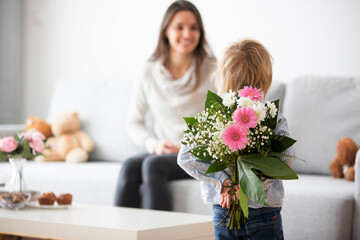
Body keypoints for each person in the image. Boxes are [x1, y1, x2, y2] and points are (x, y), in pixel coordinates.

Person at [177, 39, 295, 239]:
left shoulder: (212, 117)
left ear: (222, 77)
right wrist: (251, 187)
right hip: (264, 213)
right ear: (265, 79)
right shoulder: (271, 116)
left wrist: (223, 183)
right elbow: (286, 159)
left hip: (224, 210)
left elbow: (186, 157)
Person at [114, 0, 216, 211]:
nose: (187, 34)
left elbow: (224, 121)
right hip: (164, 151)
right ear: (166, 31)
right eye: (179, 27)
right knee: (130, 166)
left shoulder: (212, 68)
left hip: (199, 153)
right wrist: (154, 145)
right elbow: (133, 122)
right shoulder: (149, 71)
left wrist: (188, 147)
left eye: (193, 27)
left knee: (153, 165)